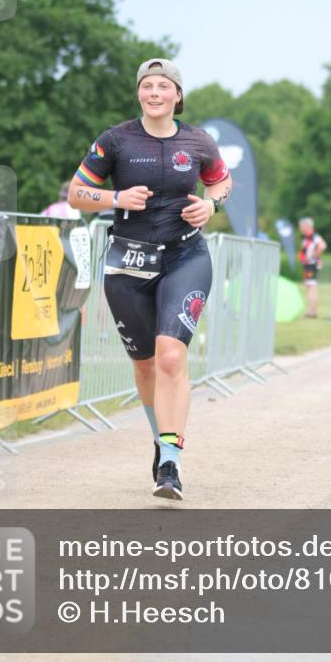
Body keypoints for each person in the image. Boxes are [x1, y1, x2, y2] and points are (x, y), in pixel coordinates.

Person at [68, 59, 232, 500]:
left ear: (178, 95)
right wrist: (116, 197)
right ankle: (160, 442)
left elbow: (221, 181)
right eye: (147, 86)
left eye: (164, 86)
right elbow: (77, 193)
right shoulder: (115, 140)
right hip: (128, 263)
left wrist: (211, 205)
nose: (154, 93)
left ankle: (171, 463)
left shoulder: (198, 141)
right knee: (144, 363)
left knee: (171, 358)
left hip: (185, 256)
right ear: (139, 93)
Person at [298, 217, 326, 318]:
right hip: (308, 265)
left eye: (301, 226)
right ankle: (312, 311)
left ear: (307, 226)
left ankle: (312, 312)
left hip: (311, 265)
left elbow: (322, 246)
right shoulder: (307, 237)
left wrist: (314, 256)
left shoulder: (313, 236)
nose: (300, 228)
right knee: (309, 287)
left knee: (311, 287)